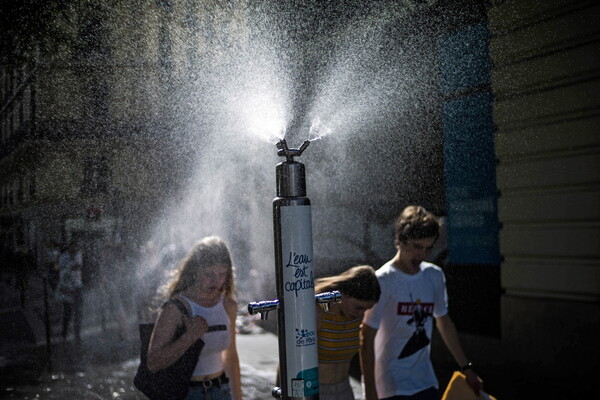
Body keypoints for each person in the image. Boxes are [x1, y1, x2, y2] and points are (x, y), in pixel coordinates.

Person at [360, 206, 483, 400]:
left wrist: (467, 368)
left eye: (428, 248)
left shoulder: (434, 276)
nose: (422, 254)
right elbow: (366, 339)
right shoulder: (383, 281)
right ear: (399, 240)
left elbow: (443, 322)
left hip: (426, 384)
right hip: (390, 388)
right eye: (417, 247)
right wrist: (369, 393)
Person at [146, 236, 242, 400]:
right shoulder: (176, 308)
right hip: (187, 393)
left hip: (220, 391)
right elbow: (153, 362)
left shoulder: (228, 306)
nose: (216, 281)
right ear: (195, 271)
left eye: (222, 274)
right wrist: (189, 337)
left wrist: (237, 396)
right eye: (209, 274)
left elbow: (230, 356)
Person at [315, 265, 381, 400]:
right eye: (358, 307)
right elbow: (290, 356)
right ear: (343, 294)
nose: (361, 314)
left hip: (344, 390)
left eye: (367, 309)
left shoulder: (356, 317)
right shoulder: (318, 311)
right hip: (316, 391)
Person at [56, 240, 84, 343]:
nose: (76, 250)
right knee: (67, 312)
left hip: (78, 286)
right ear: (70, 247)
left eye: (77, 248)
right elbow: (62, 272)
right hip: (68, 287)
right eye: (74, 248)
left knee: (78, 312)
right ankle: (64, 334)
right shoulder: (64, 257)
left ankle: (77, 335)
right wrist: (70, 267)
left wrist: (74, 266)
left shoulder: (79, 255)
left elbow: (79, 266)